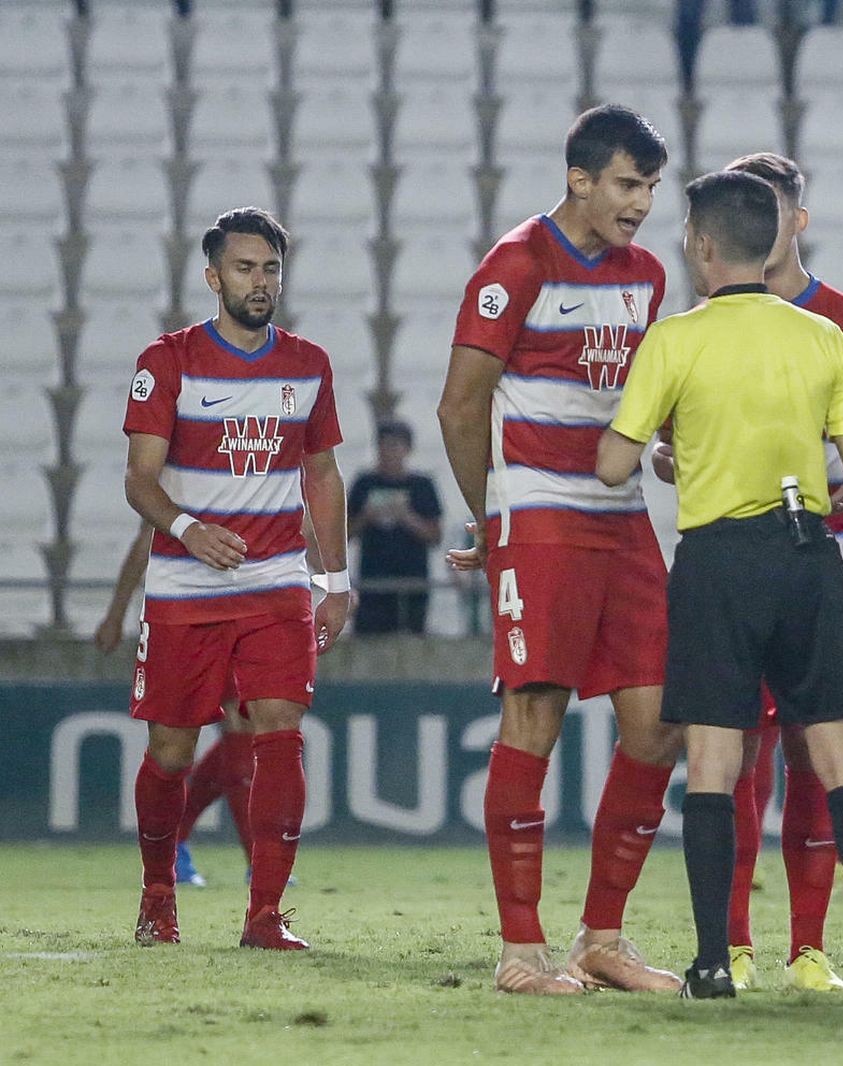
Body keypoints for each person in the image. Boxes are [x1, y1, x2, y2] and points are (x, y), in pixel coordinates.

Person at [597, 168, 843, 1000]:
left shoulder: (674, 339)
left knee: (713, 759)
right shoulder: (821, 338)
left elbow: (613, 465)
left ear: (701, 245)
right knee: (840, 753)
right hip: (808, 550)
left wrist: (669, 446)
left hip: (717, 560)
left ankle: (714, 961)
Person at [437, 105, 683, 996]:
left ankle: (601, 938)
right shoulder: (516, 266)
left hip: (623, 519)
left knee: (660, 727)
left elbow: (633, 400)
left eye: (651, 187)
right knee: (534, 717)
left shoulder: (648, 276)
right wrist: (492, 517)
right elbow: (460, 405)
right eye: (628, 184)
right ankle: (520, 951)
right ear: (580, 179)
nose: (643, 204)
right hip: (539, 515)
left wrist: (660, 445)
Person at [123, 206, 349, 951]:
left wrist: (334, 579)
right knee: (172, 755)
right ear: (214, 276)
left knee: (279, 732)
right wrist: (189, 529)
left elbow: (321, 474)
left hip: (277, 582)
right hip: (186, 590)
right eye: (247, 268)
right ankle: (159, 895)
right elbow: (140, 482)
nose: (262, 281)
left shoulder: (308, 364)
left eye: (272, 268)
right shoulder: (168, 361)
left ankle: (265, 914)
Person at [713, 150, 843, 993]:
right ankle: (734, 946)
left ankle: (810, 949)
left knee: (818, 759)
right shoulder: (709, 318)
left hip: (816, 562)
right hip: (731, 558)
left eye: (776, 201)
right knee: (735, 764)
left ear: (798, 216)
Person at [98, 525, 252, 888]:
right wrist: (116, 613)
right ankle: (254, 858)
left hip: (250, 604)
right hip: (191, 608)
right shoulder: (178, 478)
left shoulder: (256, 475)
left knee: (246, 726)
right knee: (229, 727)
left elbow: (296, 526)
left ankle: (186, 838)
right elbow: (145, 541)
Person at [347, 420, 442, 635]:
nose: (388, 452)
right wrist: (366, 517)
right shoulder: (364, 484)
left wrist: (407, 517)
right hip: (372, 583)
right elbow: (345, 533)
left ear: (407, 449)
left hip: (412, 582)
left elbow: (435, 536)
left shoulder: (422, 486)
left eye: (395, 445)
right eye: (384, 445)